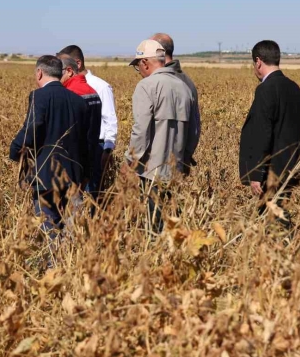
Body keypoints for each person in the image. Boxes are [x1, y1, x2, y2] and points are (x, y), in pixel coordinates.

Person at [9, 55, 90, 241]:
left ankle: (51, 267)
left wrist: (15, 150)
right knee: (71, 230)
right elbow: (86, 142)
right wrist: (85, 174)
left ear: (39, 73)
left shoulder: (39, 96)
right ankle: (69, 267)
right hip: (74, 177)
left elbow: (32, 128)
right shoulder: (79, 102)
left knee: (48, 227)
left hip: (46, 177)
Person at [124, 39, 197, 232]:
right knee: (174, 225)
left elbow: (141, 131)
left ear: (145, 63)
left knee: (153, 228)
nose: (139, 71)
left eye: (138, 66)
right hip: (176, 171)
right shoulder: (184, 87)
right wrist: (185, 161)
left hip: (151, 173)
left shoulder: (146, 86)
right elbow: (195, 130)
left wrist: (130, 161)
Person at [239, 40, 300, 227]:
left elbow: (262, 133)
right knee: (280, 215)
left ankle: (286, 251)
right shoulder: (294, 88)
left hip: (272, 172)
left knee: (272, 223)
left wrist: (257, 174)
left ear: (258, 61)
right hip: (293, 167)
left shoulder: (265, 90)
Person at [57, 45, 118, 200]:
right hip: (74, 148)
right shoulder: (64, 85)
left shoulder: (101, 86)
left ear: (76, 64)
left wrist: (107, 150)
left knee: (92, 194)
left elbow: (110, 120)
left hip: (97, 146)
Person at [150, 33, 201, 171]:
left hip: (158, 169)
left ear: (158, 52)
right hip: (177, 166)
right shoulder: (187, 82)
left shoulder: (159, 83)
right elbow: (195, 129)